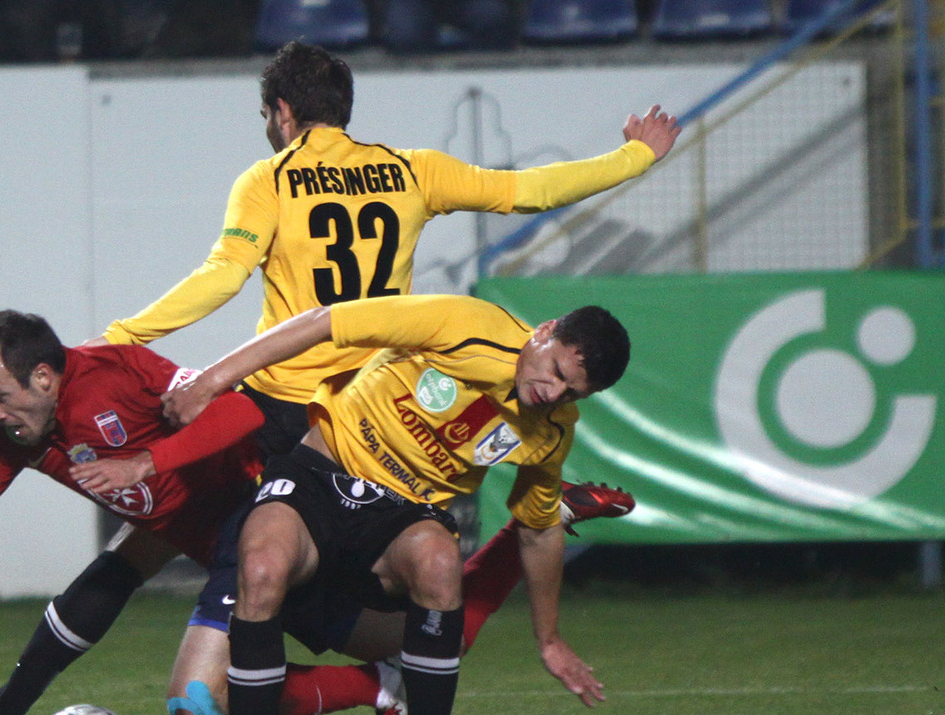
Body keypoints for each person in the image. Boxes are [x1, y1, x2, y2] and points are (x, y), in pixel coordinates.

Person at [0, 310, 630, 715]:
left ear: (45, 379)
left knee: (207, 698)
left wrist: (147, 458)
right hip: (205, 524)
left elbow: (238, 410)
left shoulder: (118, 374)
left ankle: (383, 685)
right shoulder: (13, 436)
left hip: (271, 509)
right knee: (127, 561)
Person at [98, 40, 677, 462]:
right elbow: (530, 192)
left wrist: (124, 336)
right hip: (367, 403)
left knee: (212, 539)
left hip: (283, 396)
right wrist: (634, 158)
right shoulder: (412, 172)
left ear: (283, 111)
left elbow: (223, 275)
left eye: (268, 116)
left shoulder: (269, 179)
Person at [173, 294, 631, 715]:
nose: (552, 393)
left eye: (572, 392)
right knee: (259, 572)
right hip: (319, 475)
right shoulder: (465, 324)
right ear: (544, 331)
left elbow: (537, 529)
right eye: (556, 372)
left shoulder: (550, 428)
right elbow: (324, 322)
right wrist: (211, 381)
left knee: (439, 565)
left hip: (400, 515)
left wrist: (549, 640)